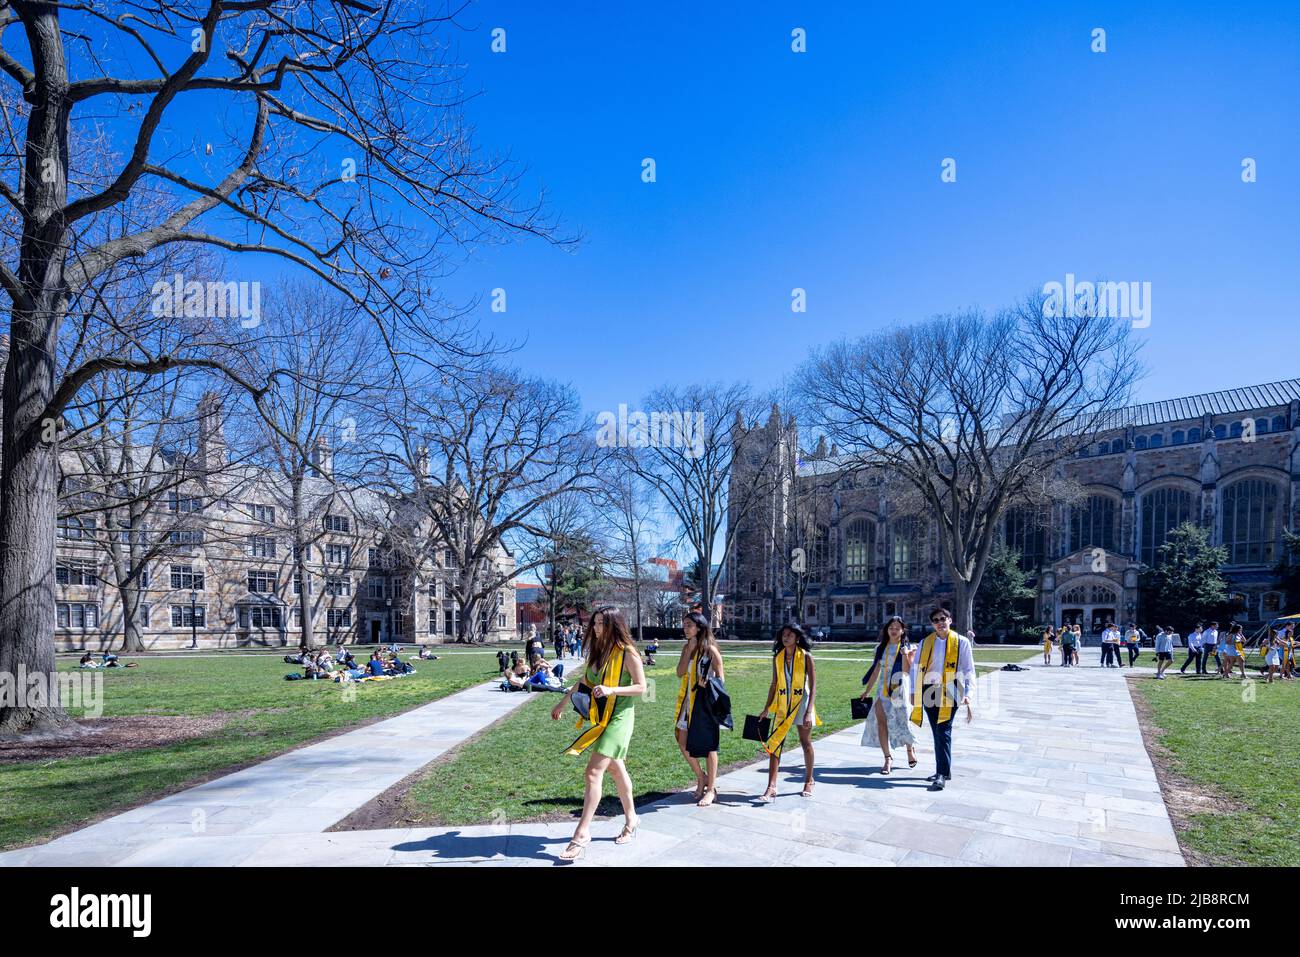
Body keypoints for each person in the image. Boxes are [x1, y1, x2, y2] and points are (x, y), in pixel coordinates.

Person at [551, 606, 646, 862]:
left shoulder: (628, 653)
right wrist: (562, 702)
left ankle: (581, 834)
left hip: (620, 719)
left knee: (593, 772)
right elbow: (584, 681)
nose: (596, 627)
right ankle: (632, 819)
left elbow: (642, 687)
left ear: (614, 624)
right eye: (594, 623)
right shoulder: (598, 652)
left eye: (601, 623)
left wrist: (612, 689)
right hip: (601, 717)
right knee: (616, 769)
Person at [909, 607, 975, 791]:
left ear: (950, 620)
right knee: (937, 731)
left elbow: (969, 670)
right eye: (936, 620)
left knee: (943, 730)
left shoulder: (961, 642)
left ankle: (941, 773)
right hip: (929, 689)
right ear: (932, 624)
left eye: (943, 618)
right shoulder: (925, 642)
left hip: (952, 688)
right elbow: (916, 667)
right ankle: (944, 770)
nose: (940, 622)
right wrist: (914, 691)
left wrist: (969, 693)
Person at [757, 623, 820, 801]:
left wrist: (809, 712)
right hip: (783, 704)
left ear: (797, 638)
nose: (785, 638)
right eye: (783, 635)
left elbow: (814, 686)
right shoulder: (778, 657)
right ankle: (771, 786)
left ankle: (809, 780)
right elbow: (774, 684)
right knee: (775, 744)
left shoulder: (806, 656)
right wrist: (766, 708)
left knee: (805, 742)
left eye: (790, 635)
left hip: (802, 703)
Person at [674, 611, 725, 807]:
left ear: (699, 627)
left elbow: (721, 679)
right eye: (684, 625)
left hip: (705, 704)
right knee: (682, 741)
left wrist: (708, 682)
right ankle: (701, 777)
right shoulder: (686, 647)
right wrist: (688, 652)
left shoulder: (710, 650)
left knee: (710, 747)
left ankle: (710, 789)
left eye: (689, 625)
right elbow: (679, 673)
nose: (685, 628)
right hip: (687, 703)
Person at [860, 615, 917, 774]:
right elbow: (875, 672)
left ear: (902, 630)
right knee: (881, 723)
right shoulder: (880, 648)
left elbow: (906, 671)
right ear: (886, 630)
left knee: (904, 720)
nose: (894, 630)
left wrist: (906, 654)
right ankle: (887, 758)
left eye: (897, 628)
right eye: (891, 628)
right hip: (882, 690)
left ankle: (909, 749)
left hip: (899, 689)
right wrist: (867, 691)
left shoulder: (909, 647)